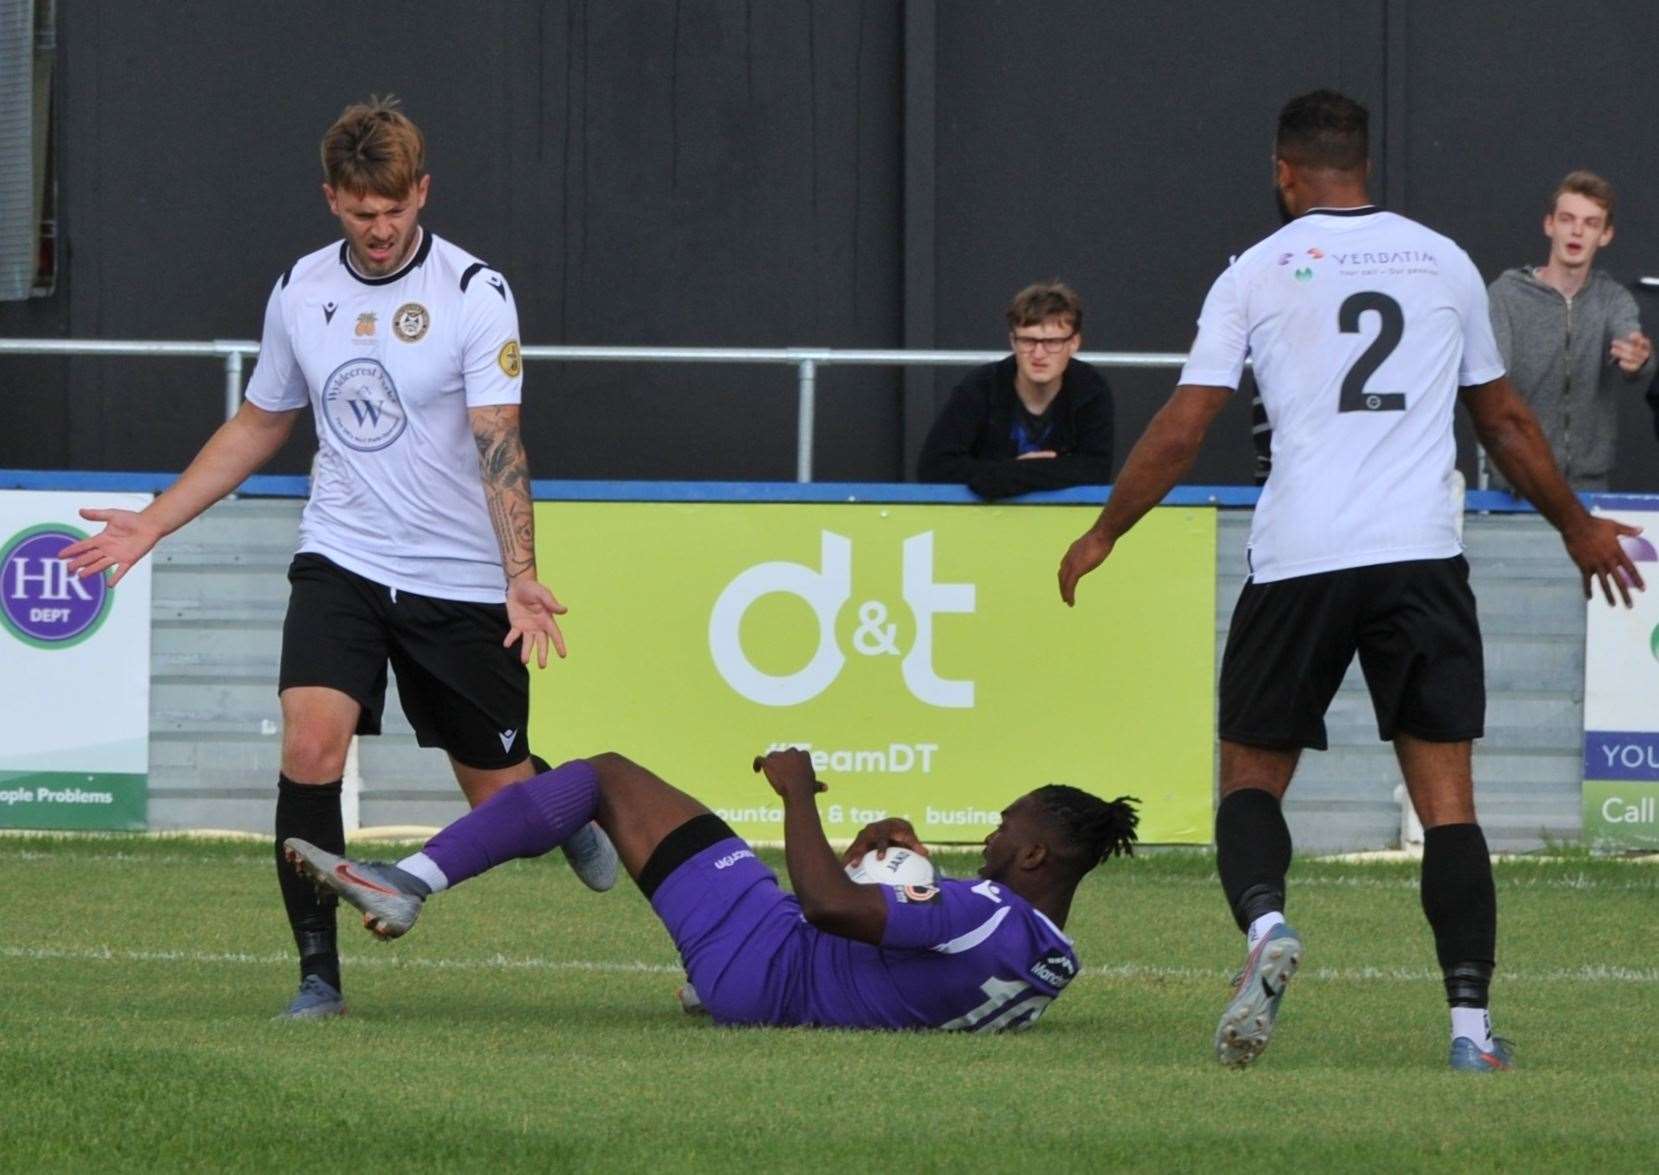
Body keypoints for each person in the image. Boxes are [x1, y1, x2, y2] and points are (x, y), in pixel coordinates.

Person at [1057, 90, 1645, 1073]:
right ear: (1364, 166)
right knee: (1449, 801)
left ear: (1285, 172)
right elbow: (1503, 419)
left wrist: (1107, 527)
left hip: (1301, 556)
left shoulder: (1254, 270)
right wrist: (1578, 525)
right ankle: (1468, 1032)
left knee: (1250, 779)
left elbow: (1186, 419)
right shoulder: (1444, 259)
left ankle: (1266, 927)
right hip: (1419, 553)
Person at [59, 97, 617, 1019]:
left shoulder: (475, 292)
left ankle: (564, 804)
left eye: (395, 209)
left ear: (421, 191)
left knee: (502, 805)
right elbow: (261, 420)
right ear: (331, 200)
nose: (382, 228)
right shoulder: (299, 289)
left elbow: (498, 438)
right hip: (343, 556)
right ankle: (319, 975)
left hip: (458, 577)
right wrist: (155, 522)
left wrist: (519, 573)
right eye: (363, 212)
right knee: (309, 747)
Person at [283, 749, 1140, 1032]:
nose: (990, 833)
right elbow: (903, 960)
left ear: (1034, 856)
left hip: (765, 956)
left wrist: (798, 789)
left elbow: (828, 909)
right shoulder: (1050, 961)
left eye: (1003, 827)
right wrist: (883, 864)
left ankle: (409, 883)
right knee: (610, 794)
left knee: (606, 777)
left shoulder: (980, 908)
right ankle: (567, 837)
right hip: (780, 979)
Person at [1487, 171, 1654, 492]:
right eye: (1567, 219)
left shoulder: (1612, 298)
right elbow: (1494, 385)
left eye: (1591, 223)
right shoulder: (1506, 295)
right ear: (1549, 225)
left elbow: (1630, 342)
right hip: (1517, 485)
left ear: (1605, 235)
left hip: (1587, 487)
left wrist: (1638, 358)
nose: (1577, 231)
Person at [918, 281, 1115, 499]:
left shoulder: (1090, 389)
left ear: (1074, 343)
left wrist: (1006, 475)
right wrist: (1033, 472)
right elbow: (934, 467)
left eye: (1052, 342)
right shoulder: (981, 386)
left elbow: (1096, 470)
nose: (1039, 354)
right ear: (1013, 341)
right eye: (1028, 341)